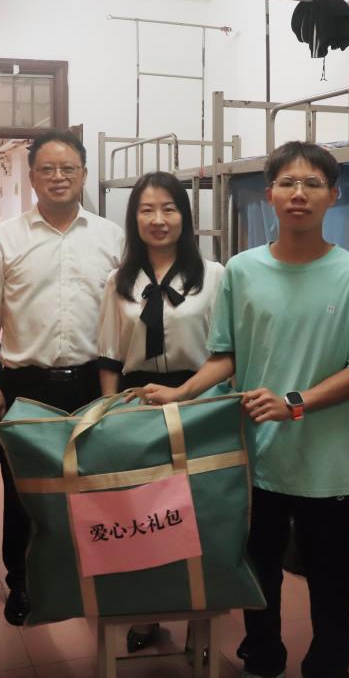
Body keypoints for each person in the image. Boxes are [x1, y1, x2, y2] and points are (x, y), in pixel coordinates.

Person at [143, 142, 349, 678]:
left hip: (326, 464)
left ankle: (329, 667)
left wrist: (293, 403)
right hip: (254, 456)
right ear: (270, 193)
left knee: (329, 580)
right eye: (288, 183)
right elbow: (225, 356)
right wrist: (182, 394)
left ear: (333, 196)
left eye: (313, 184)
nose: (299, 194)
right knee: (258, 571)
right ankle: (262, 658)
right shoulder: (242, 270)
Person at [0, 130, 123, 626]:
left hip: (94, 382)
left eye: (67, 168)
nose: (58, 177)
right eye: (47, 169)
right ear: (31, 177)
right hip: (25, 383)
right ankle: (23, 583)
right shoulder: (3, 238)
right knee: (24, 490)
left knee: (93, 484)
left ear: (84, 175)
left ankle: (88, 579)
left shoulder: (111, 237)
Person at [96, 171, 225, 653]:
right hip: (137, 406)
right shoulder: (118, 281)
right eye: (147, 209)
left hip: (198, 402)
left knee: (199, 514)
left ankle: (199, 620)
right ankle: (147, 614)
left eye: (169, 208)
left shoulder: (214, 276)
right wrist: (110, 413)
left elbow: (224, 351)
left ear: (185, 216)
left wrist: (187, 394)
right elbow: (109, 354)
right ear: (133, 218)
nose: (158, 219)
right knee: (144, 515)